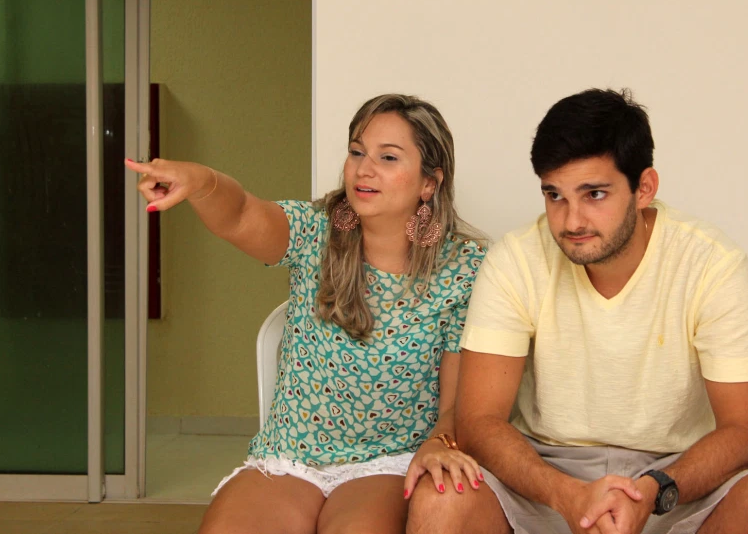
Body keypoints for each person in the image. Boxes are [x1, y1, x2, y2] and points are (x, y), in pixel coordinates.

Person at [407, 88, 748, 534]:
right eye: (555, 195)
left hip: (674, 483)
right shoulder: (516, 258)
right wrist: (568, 495)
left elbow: (747, 434)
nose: (572, 221)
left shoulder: (713, 264)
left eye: (594, 194)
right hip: (543, 476)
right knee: (440, 498)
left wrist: (654, 491)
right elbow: (479, 422)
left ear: (644, 188)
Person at [126, 94, 487, 534]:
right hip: (289, 456)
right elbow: (241, 214)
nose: (364, 169)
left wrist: (439, 444)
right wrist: (201, 182)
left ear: (429, 182)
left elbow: (457, 403)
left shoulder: (464, 269)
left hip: (388, 462)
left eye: (388, 157)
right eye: (357, 152)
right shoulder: (313, 230)